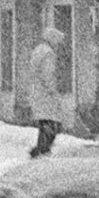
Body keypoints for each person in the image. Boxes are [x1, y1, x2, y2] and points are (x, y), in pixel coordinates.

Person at [27, 26, 70, 156]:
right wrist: (54, 91)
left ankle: (40, 149)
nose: (58, 44)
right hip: (46, 95)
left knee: (45, 122)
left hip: (37, 93)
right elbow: (48, 75)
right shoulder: (48, 53)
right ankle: (43, 149)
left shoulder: (37, 51)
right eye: (57, 41)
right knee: (50, 123)